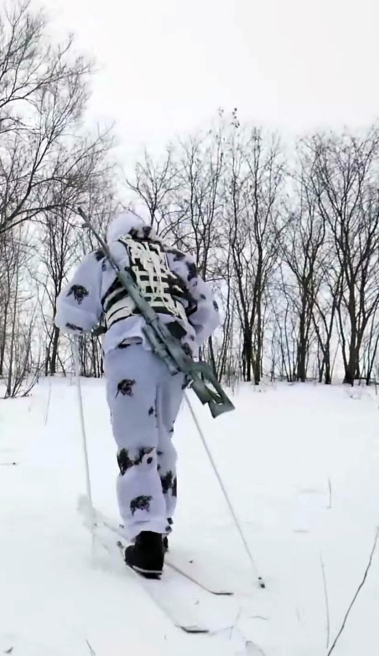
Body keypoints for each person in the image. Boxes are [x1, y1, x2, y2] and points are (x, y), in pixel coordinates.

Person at [56, 210, 220, 579]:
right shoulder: (175, 259)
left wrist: (85, 325)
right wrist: (185, 335)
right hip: (177, 353)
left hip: (130, 347)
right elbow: (208, 312)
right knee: (163, 435)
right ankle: (161, 526)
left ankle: (146, 536)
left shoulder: (106, 254)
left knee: (136, 441)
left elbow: (72, 310)